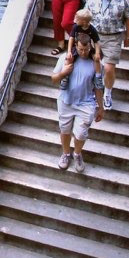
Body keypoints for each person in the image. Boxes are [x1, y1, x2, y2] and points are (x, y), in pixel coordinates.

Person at [50, 33, 104, 173]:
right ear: (76, 46)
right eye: (80, 50)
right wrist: (64, 72)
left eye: (86, 50)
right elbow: (54, 79)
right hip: (66, 101)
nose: (83, 52)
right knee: (65, 130)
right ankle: (66, 153)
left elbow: (98, 87)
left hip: (86, 103)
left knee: (81, 134)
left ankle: (77, 153)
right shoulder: (66, 58)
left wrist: (101, 107)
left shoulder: (96, 63)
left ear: (90, 47)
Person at [85, 0, 129, 110]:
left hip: (114, 37)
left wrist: (128, 37)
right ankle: (95, 90)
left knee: (109, 68)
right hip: (95, 36)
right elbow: (86, 15)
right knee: (94, 66)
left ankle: (107, 93)